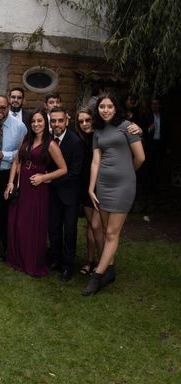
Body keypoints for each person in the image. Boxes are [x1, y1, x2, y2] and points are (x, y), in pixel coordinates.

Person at [83, 94, 145, 296]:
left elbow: (140, 158)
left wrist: (127, 173)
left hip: (123, 186)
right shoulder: (98, 131)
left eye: (110, 106)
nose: (106, 110)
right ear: (98, 109)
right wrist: (91, 188)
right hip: (103, 185)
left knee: (111, 233)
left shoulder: (128, 127)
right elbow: (95, 161)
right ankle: (109, 269)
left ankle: (97, 277)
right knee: (103, 229)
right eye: (102, 106)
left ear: (116, 108)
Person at [4, 110, 67, 277]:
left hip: (37, 188)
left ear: (45, 123)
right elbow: (17, 161)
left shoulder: (51, 144)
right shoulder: (26, 140)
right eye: (33, 121)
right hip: (21, 185)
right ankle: (17, 259)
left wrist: (44, 177)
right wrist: (11, 182)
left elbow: (63, 169)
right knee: (16, 223)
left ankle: (31, 261)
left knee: (30, 225)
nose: (36, 124)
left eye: (39, 121)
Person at [0, 95, 27, 259]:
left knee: (5, 211)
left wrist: (5, 155)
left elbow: (23, 151)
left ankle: (5, 246)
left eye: (3, 107)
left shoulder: (19, 127)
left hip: (7, 174)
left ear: (8, 106)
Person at [47, 107, 85, 282]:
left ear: (66, 121)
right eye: (53, 121)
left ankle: (68, 265)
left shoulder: (75, 142)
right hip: (52, 194)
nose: (56, 124)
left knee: (69, 230)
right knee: (53, 228)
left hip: (69, 194)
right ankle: (55, 259)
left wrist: (50, 179)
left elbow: (74, 172)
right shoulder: (48, 140)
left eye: (60, 120)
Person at [75, 107, 104, 276]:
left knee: (96, 225)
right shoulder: (80, 138)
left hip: (102, 187)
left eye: (88, 120)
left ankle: (104, 262)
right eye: (81, 121)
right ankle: (90, 261)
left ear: (93, 119)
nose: (85, 124)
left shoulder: (101, 136)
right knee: (90, 226)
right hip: (85, 187)